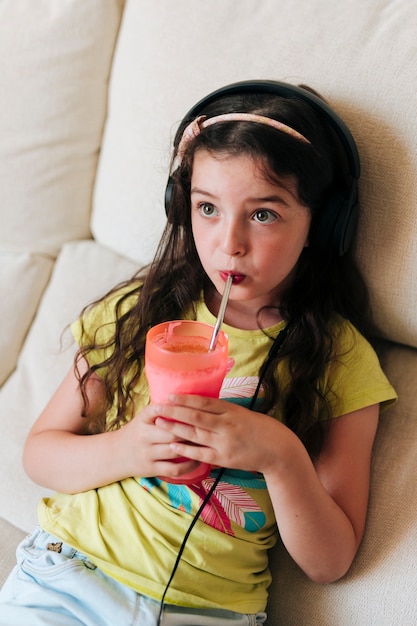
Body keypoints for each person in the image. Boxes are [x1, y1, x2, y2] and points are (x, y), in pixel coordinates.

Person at [0, 81, 397, 626]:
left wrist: (280, 456)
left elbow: (329, 562)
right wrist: (129, 449)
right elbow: (40, 455)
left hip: (211, 614)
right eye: (207, 207)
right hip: (69, 578)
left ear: (322, 224)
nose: (228, 242)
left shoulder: (341, 358)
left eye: (263, 214)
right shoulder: (138, 312)